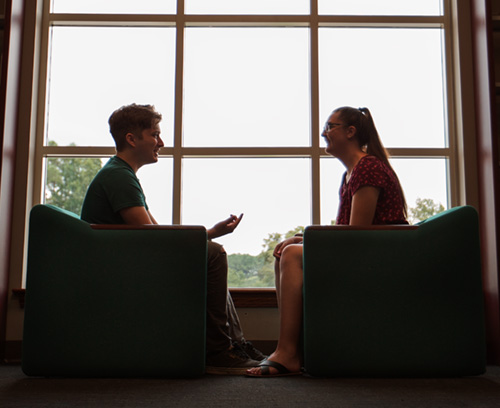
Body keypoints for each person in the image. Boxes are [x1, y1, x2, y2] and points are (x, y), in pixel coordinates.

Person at [81, 103, 265, 375]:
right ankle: (218, 352)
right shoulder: (119, 177)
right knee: (212, 254)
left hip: (125, 261)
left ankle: (234, 346)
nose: (161, 142)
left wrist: (210, 233)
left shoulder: (122, 175)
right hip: (119, 269)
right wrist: (207, 242)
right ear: (132, 139)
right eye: (154, 135)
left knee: (209, 250)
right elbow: (152, 239)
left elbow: (157, 232)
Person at [246, 106, 408, 377]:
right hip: (367, 253)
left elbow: (356, 234)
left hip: (381, 257)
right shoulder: (351, 173)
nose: (324, 133)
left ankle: (287, 352)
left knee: (293, 254)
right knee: (286, 252)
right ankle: (289, 349)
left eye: (330, 126)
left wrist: (308, 238)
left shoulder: (368, 168)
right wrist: (302, 237)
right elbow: (346, 231)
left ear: (350, 132)